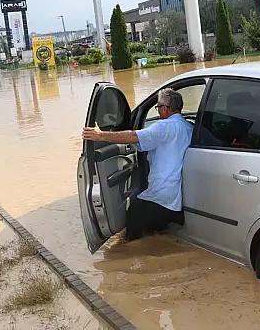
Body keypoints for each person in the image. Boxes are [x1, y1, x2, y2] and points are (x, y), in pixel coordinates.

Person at [82, 88, 192, 242]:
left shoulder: (163, 127)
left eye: (158, 107)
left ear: (165, 109)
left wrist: (100, 135)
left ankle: (128, 249)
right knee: (154, 226)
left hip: (160, 195)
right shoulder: (188, 127)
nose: (158, 110)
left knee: (134, 214)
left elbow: (133, 136)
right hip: (175, 197)